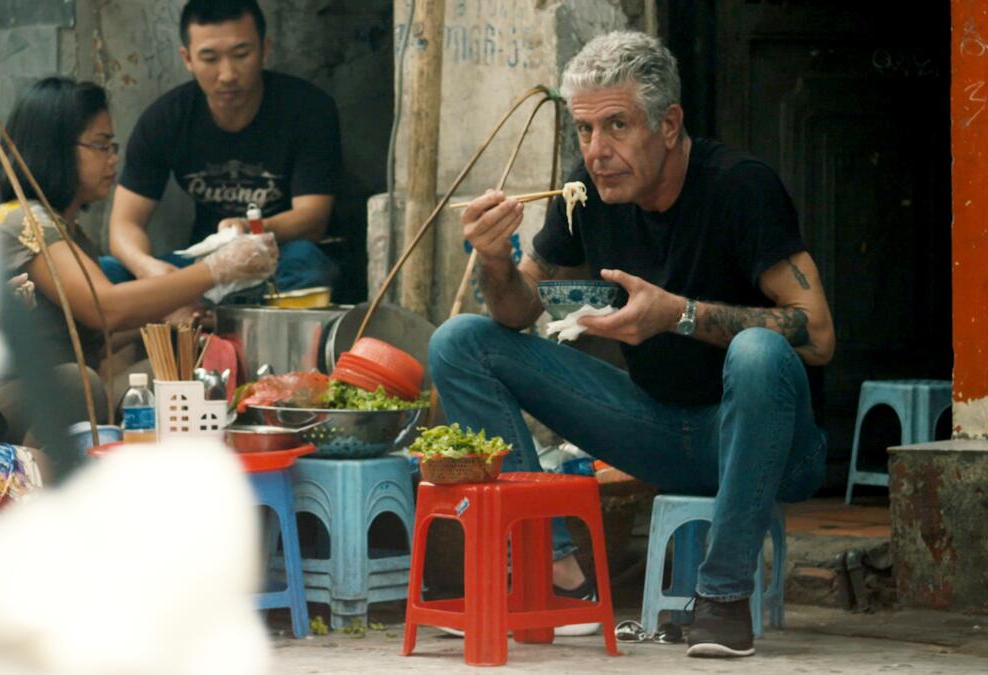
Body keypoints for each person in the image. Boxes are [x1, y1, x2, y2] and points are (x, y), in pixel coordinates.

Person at [429, 30, 834, 658]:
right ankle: (556, 577)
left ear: (668, 124)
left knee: (759, 351)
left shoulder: (739, 186)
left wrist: (680, 315)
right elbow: (516, 313)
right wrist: (494, 260)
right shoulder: (586, 194)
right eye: (585, 131)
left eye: (616, 126)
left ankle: (723, 599)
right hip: (659, 430)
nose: (597, 151)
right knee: (461, 341)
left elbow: (818, 334)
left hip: (771, 445)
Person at [0, 77, 277, 475]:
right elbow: (104, 310)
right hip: (4, 407)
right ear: (55, 148)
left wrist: (167, 321)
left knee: (178, 369)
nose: (112, 160)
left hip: (72, 390)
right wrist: (216, 268)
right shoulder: (22, 219)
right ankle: (31, 485)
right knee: (78, 383)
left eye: (114, 147)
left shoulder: (69, 230)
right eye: (100, 145)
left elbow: (94, 335)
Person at [104, 0, 340, 293]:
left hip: (276, 258)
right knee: (107, 272)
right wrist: (148, 270)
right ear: (187, 59)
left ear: (265, 50)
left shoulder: (308, 109)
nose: (227, 74)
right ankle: (197, 306)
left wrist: (249, 228)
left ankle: (200, 312)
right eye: (209, 58)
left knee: (309, 264)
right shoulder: (165, 119)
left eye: (241, 54)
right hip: (201, 266)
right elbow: (125, 223)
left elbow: (313, 219)